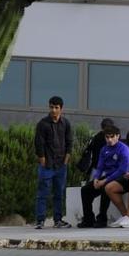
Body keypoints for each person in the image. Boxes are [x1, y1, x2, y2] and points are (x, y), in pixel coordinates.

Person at [33, 96, 73, 229]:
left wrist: (66, 159)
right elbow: (39, 143)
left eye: (56, 108)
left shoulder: (66, 123)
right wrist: (42, 159)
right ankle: (40, 220)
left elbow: (69, 142)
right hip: (47, 165)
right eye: (51, 107)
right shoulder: (43, 124)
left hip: (61, 165)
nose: (54, 110)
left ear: (61, 108)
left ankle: (58, 220)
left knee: (59, 194)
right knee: (42, 193)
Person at [79, 125, 129, 228]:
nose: (109, 140)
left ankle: (102, 219)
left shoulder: (124, 149)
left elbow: (122, 170)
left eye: (112, 137)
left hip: (120, 177)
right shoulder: (104, 149)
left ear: (118, 136)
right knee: (85, 190)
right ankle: (88, 219)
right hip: (107, 176)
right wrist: (96, 178)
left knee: (106, 188)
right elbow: (100, 166)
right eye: (107, 137)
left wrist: (105, 180)